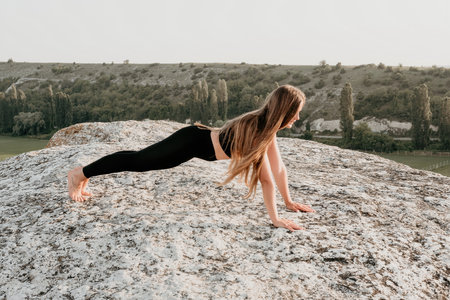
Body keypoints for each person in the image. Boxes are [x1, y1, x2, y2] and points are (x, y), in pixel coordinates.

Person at [68, 84, 315, 231]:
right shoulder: (256, 130)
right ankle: (79, 173)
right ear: (286, 111)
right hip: (190, 142)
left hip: (194, 146)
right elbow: (267, 180)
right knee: (138, 161)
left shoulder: (265, 129)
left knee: (139, 161)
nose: (298, 118)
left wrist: (289, 202)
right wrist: (275, 219)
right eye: (297, 113)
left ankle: (84, 173)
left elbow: (279, 169)